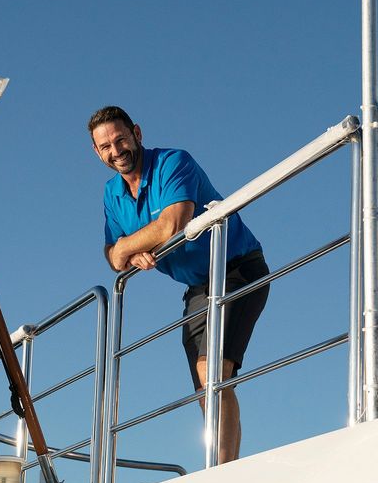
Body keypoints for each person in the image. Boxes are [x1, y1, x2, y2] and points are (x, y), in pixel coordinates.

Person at [90, 105, 269, 464]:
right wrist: (128, 250)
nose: (116, 151)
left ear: (137, 133)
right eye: (106, 146)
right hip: (198, 288)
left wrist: (131, 245)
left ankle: (222, 470)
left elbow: (173, 224)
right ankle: (223, 466)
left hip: (237, 268)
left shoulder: (173, 162)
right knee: (205, 388)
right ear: (97, 152)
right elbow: (112, 256)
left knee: (212, 371)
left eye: (120, 139)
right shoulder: (112, 193)